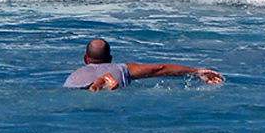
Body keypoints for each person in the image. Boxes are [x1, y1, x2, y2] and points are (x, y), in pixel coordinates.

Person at [64, 38, 224, 90]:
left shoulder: (74, 76)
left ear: (86, 58)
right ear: (110, 58)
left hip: (78, 89)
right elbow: (160, 69)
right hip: (111, 86)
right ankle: (102, 80)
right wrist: (197, 71)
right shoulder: (120, 68)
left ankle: (99, 81)